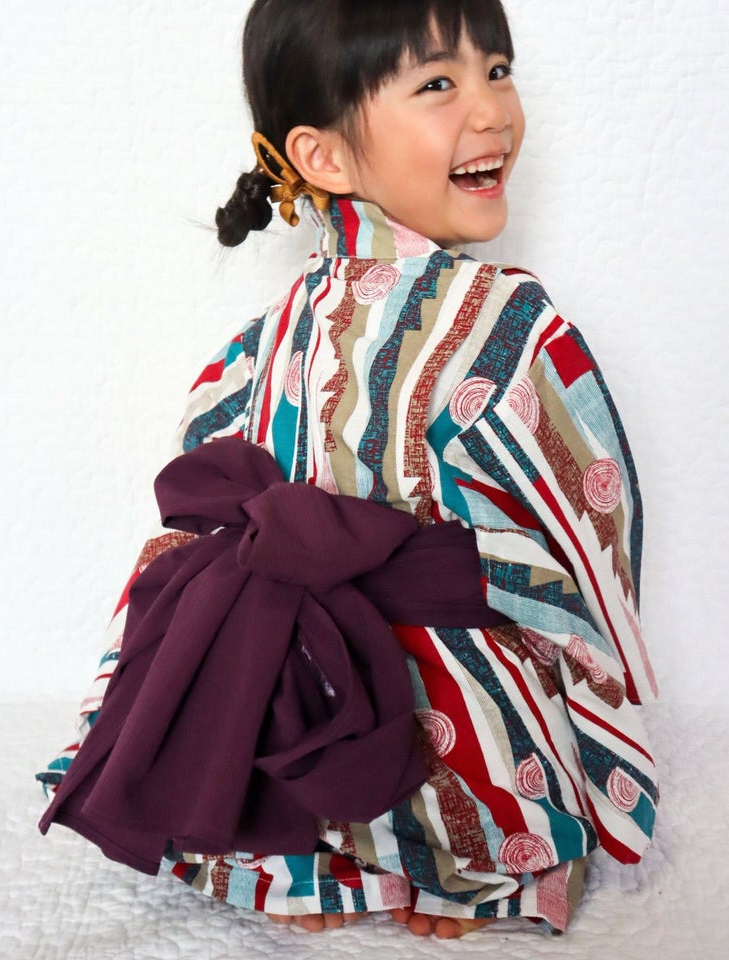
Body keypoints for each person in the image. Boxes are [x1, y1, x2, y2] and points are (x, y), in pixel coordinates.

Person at [38, 0, 658, 940]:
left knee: (291, 709)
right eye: (439, 83)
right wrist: (607, 709)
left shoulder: (269, 332)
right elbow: (593, 540)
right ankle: (470, 850)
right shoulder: (511, 329)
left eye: (498, 70)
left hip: (302, 694)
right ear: (322, 157)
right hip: (432, 702)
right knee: (470, 714)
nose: (492, 109)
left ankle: (315, 847)